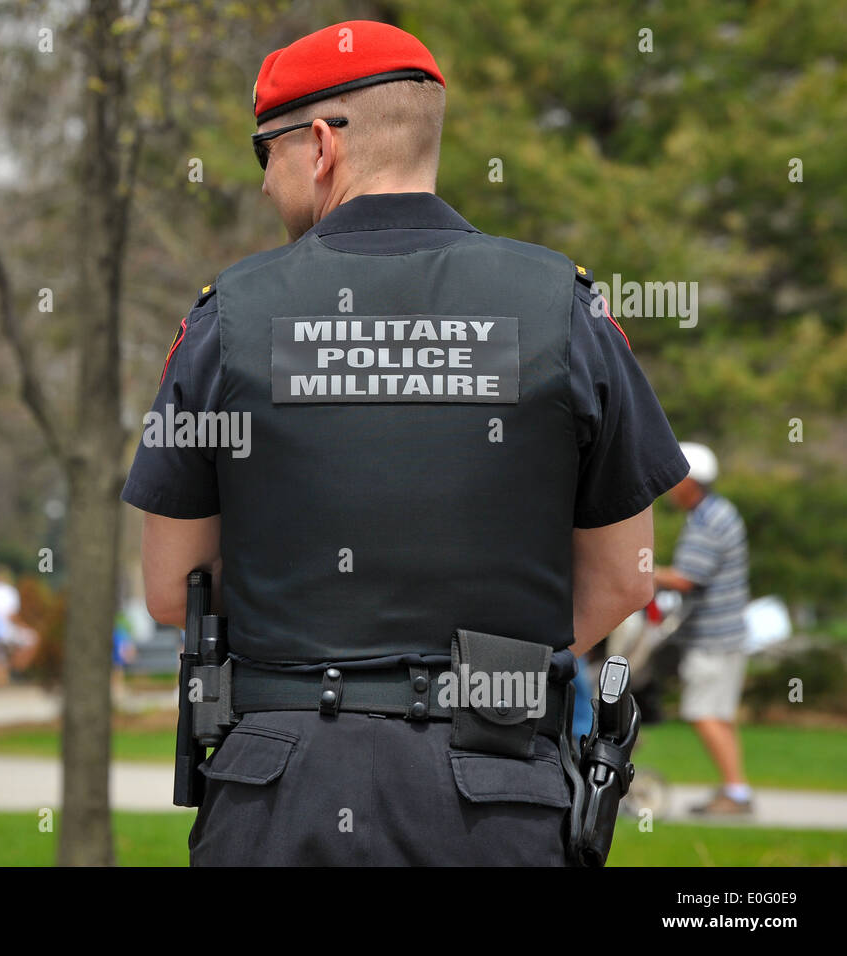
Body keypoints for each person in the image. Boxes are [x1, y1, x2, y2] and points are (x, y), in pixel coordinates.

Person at [122, 21, 689, 865]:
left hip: (280, 794)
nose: (266, 182)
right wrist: (486, 675)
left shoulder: (228, 318)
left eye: (265, 152)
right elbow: (623, 579)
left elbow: (175, 588)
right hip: (498, 799)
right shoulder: (564, 308)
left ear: (320, 145)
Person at [653, 442, 753, 815]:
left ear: (690, 482)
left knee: (703, 713)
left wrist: (640, 573)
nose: (669, 487)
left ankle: (737, 792)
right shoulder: (716, 512)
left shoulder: (708, 521)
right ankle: (736, 790)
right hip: (726, 636)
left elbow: (686, 578)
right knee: (718, 715)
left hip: (713, 639)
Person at [0, 565, 37, 684]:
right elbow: (11, 615)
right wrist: (25, 626)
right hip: (7, 632)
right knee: (33, 639)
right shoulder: (9, 592)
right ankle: (16, 670)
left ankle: (1, 680)